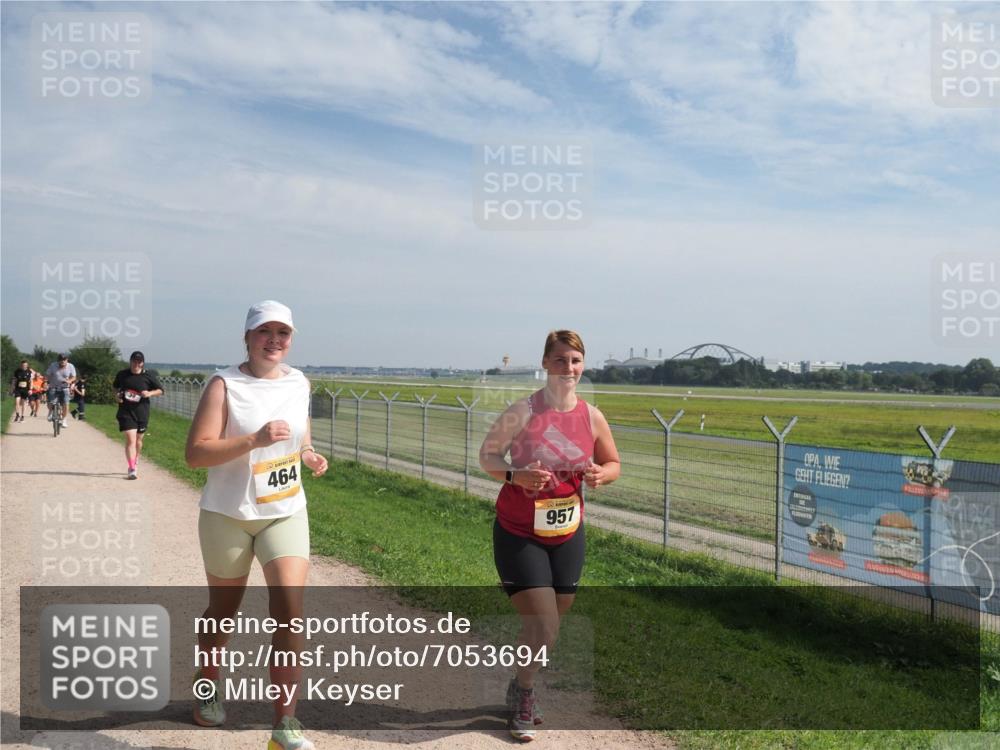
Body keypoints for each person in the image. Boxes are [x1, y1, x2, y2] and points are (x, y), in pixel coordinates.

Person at [185, 300, 328, 750]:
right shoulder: (224, 384)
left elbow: (300, 436)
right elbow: (196, 453)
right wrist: (254, 439)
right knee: (222, 613)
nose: (274, 340)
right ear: (247, 337)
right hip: (228, 515)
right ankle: (208, 682)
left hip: (284, 511)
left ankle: (285, 724)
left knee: (290, 611)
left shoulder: (299, 382)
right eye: (264, 331)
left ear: (291, 339)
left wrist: (308, 454)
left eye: (282, 333)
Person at [479, 330, 621, 742]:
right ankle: (524, 694)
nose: (568, 368)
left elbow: (613, 462)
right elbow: (487, 455)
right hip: (519, 532)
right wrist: (515, 475)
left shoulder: (591, 416)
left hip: (567, 533)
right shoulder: (522, 411)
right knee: (543, 624)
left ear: (583, 365)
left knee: (548, 627)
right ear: (545, 363)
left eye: (575, 360)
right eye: (560, 360)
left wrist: (601, 474)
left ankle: (518, 683)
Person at [113, 352, 164, 479]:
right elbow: (115, 387)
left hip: (142, 412)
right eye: (134, 361)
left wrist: (149, 393)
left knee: (138, 441)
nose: (136, 364)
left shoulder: (148, 376)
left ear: (142, 363)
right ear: (130, 361)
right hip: (126, 411)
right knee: (131, 439)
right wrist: (117, 396)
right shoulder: (122, 374)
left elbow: (161, 390)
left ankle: (135, 459)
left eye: (139, 362)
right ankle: (131, 468)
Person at [44, 354, 76, 429]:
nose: (63, 361)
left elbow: (74, 377)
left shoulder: (70, 366)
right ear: (58, 360)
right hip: (53, 386)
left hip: (65, 388)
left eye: (64, 360)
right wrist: (46, 382)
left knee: (66, 403)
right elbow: (47, 374)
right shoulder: (53, 365)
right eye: (61, 360)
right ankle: (50, 412)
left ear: (67, 360)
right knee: (50, 402)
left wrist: (69, 381)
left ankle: (64, 420)